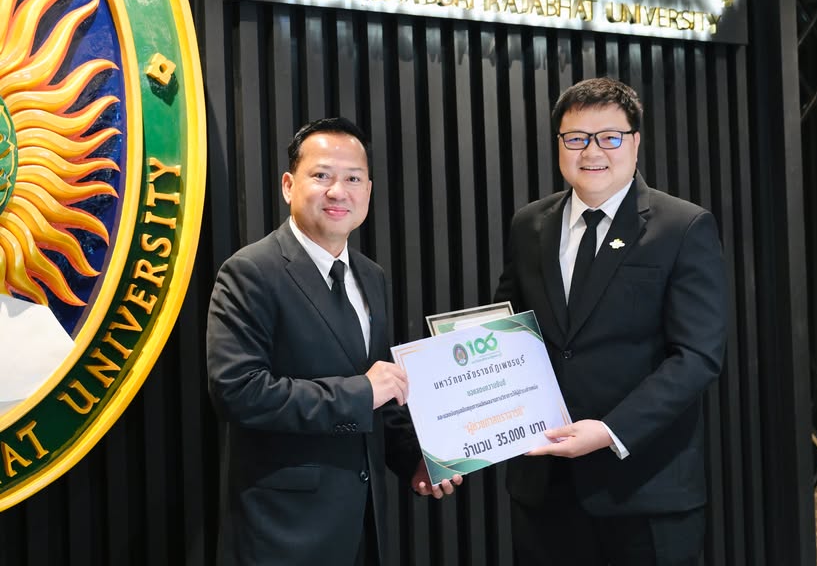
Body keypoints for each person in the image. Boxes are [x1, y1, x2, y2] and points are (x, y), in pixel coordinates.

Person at [206, 117, 461, 566]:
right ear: (288, 186)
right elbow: (239, 392)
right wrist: (360, 392)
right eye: (321, 175)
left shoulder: (371, 276)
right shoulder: (250, 272)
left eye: (353, 179)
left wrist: (415, 459)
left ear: (369, 190)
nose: (338, 191)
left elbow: (384, 391)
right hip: (283, 532)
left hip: (363, 525)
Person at [494, 77, 728, 566]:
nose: (592, 151)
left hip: (644, 489)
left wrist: (610, 430)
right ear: (559, 144)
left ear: (635, 142)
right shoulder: (529, 224)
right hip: (545, 490)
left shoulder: (682, 226)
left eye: (610, 137)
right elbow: (508, 333)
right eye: (576, 138)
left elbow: (697, 357)